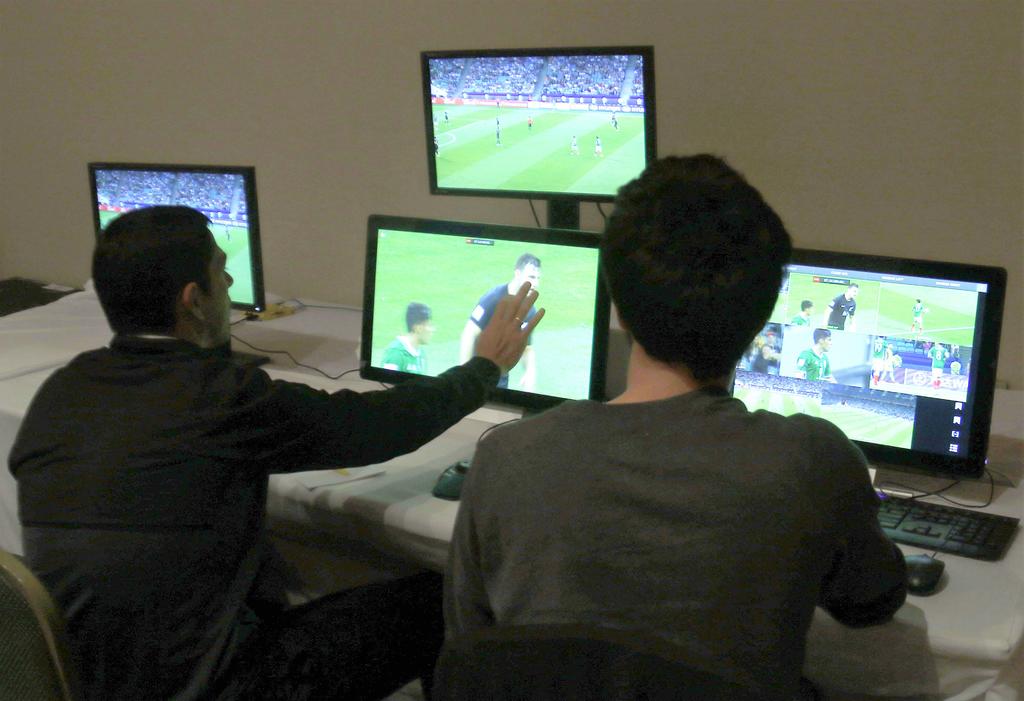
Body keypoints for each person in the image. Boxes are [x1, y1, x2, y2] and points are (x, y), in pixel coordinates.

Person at [8, 206, 544, 701]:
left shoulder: (62, 391)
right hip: (217, 687)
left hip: (94, 678)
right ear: (193, 300)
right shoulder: (217, 399)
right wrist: (484, 368)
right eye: (222, 273)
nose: (230, 285)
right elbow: (378, 426)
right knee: (443, 594)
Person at [445, 155, 906, 701]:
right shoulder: (814, 460)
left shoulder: (505, 456)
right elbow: (871, 601)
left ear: (617, 307)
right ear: (762, 319)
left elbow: (471, 647)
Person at [459, 253, 541, 391]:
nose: (535, 283)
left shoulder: (529, 310)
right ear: (517, 274)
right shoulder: (494, 298)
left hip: (500, 376)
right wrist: (463, 374)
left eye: (538, 278)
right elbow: (469, 334)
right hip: (476, 372)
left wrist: (529, 371)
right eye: (531, 277)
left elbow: (527, 347)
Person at [382, 302, 434, 374]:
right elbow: (386, 378)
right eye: (429, 325)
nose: (432, 330)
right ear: (418, 328)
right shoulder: (396, 353)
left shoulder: (421, 354)